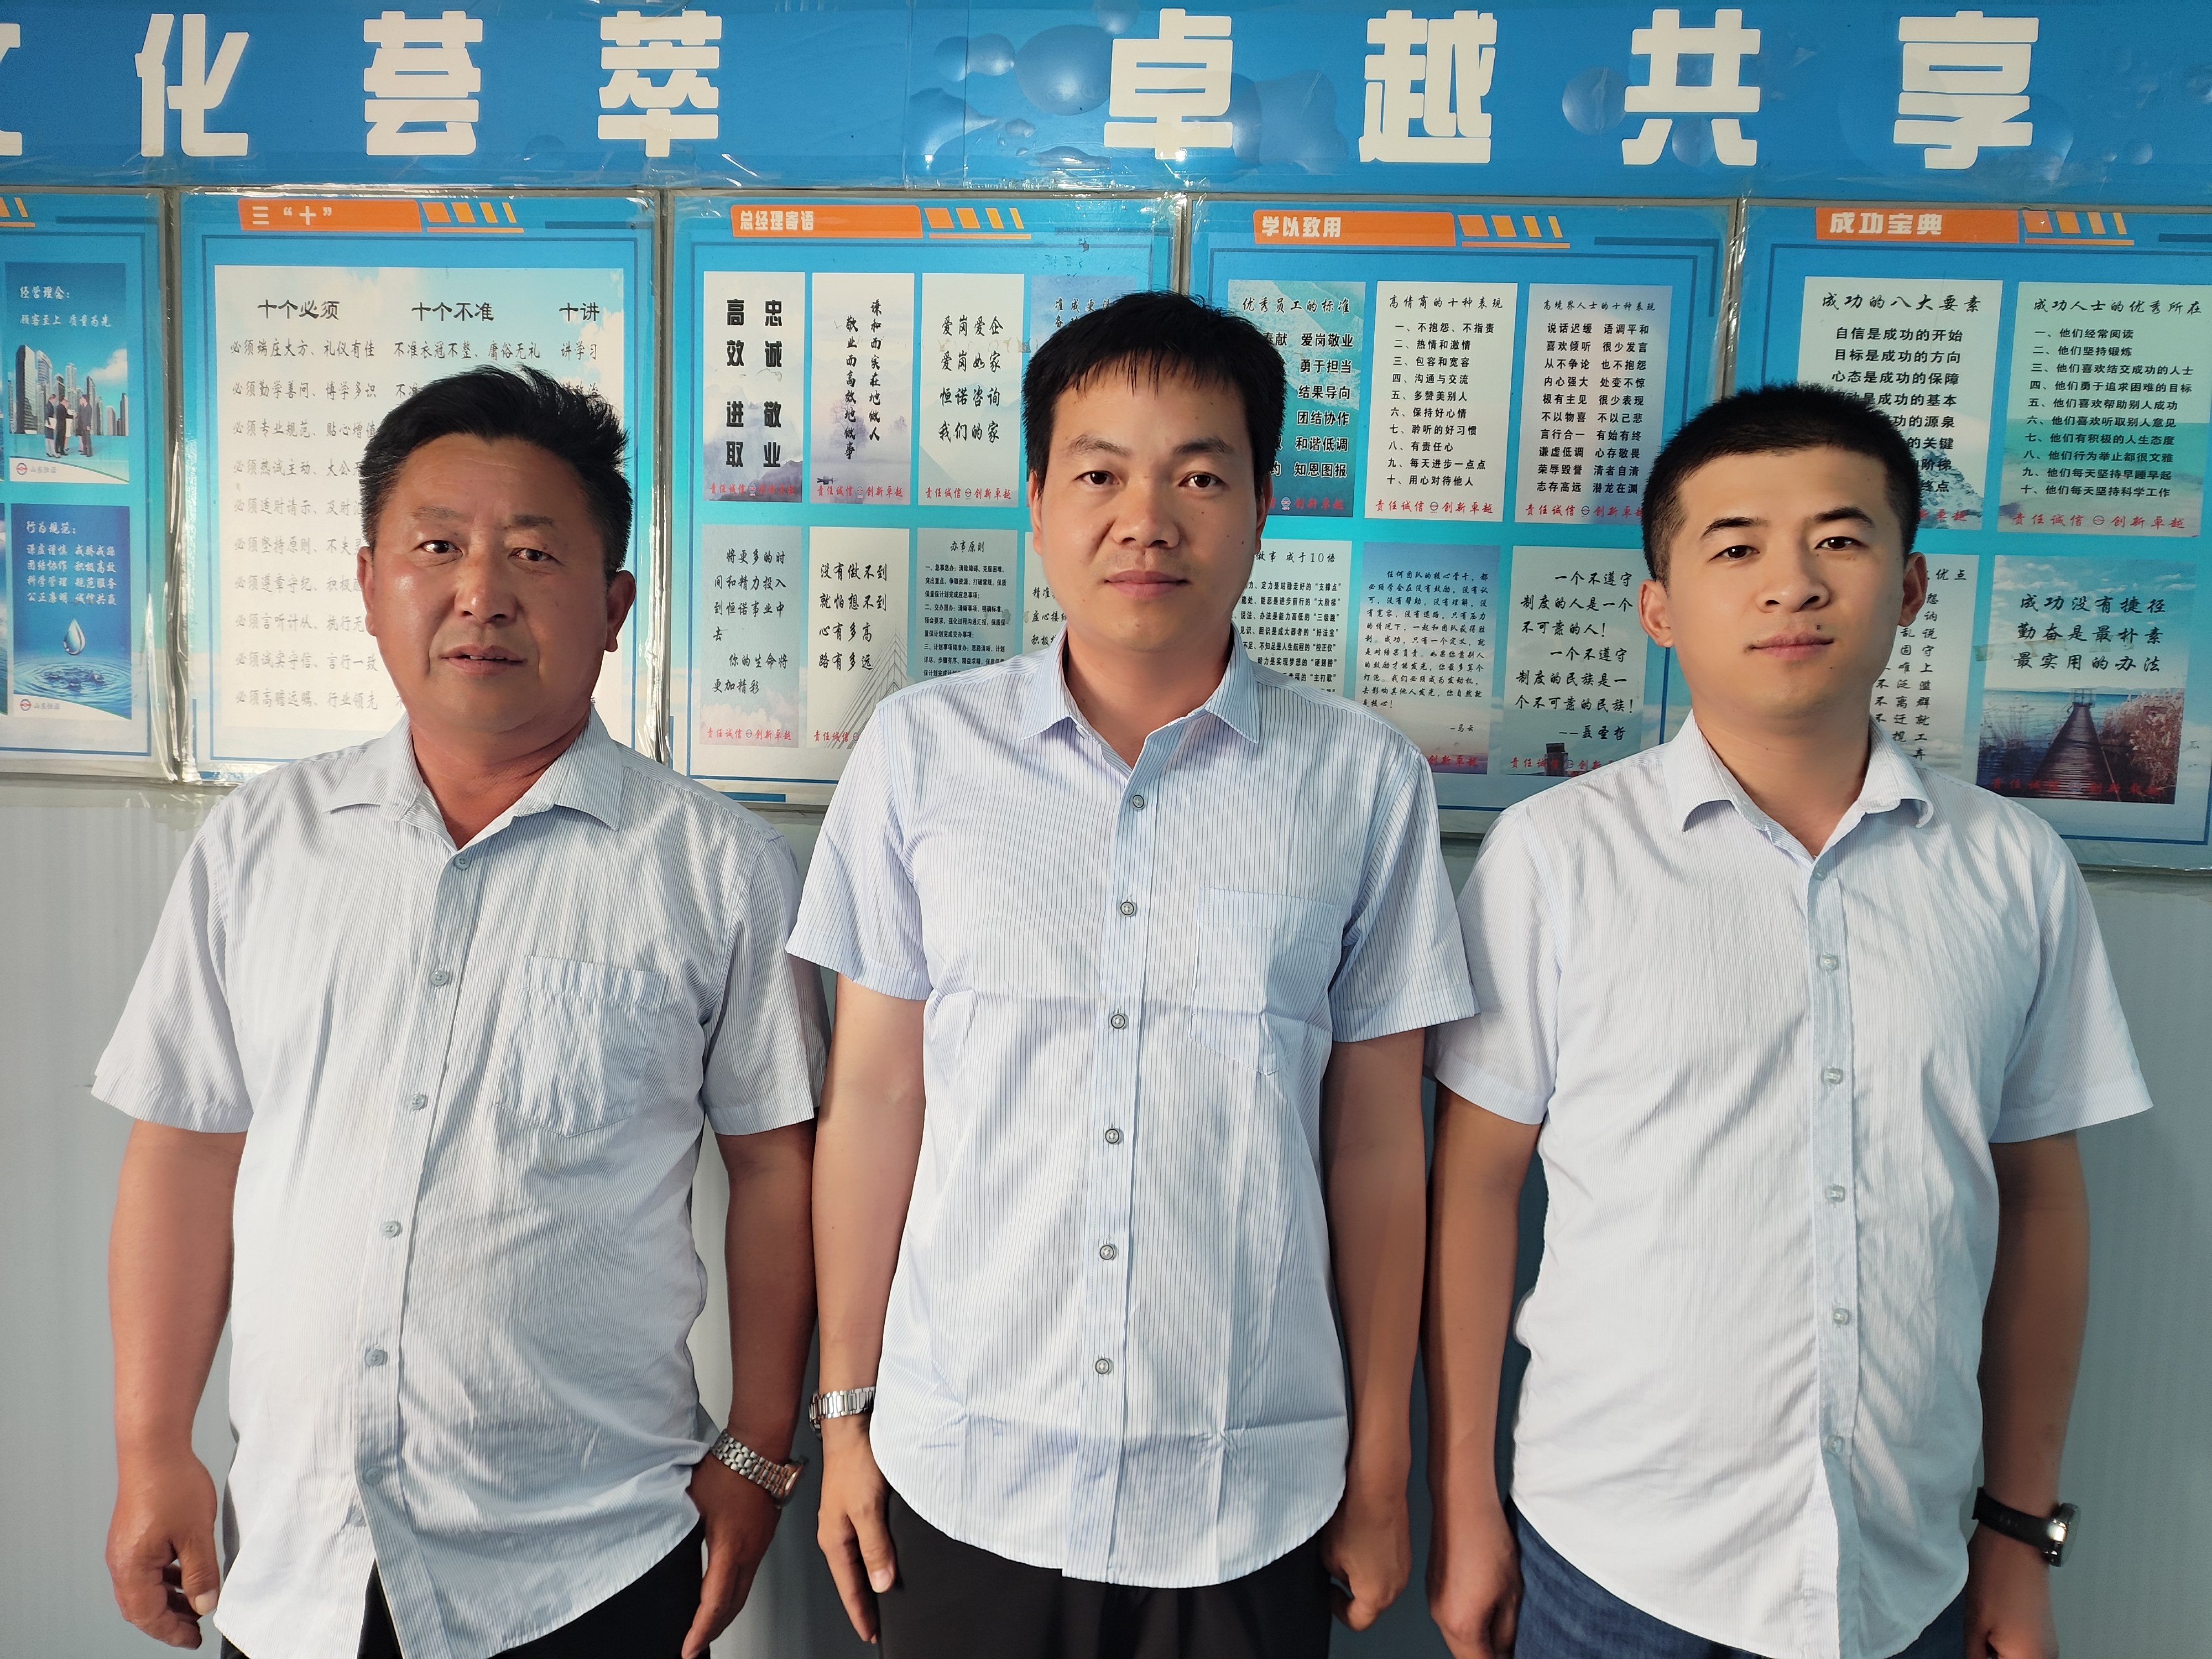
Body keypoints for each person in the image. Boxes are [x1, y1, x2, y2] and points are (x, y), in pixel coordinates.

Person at [98, 365, 826, 1659]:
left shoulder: (714, 868)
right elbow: (187, 1149)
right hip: (299, 1556)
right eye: (437, 547)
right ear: (368, 582)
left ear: (614, 608)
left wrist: (757, 1450)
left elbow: (777, 1168)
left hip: (592, 1558)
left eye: (533, 554)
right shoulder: (261, 844)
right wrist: (154, 1448)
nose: (481, 593)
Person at [792, 290, 1475, 1659]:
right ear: (1037, 502)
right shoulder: (920, 755)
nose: (1145, 521)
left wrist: (1380, 1469)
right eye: (1099, 474)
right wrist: (845, 1420)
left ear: (1262, 506)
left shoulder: (1361, 783)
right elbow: (874, 1100)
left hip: (1246, 1484)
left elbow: (1375, 1147)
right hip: (963, 1464)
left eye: (1198, 478)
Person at [1423, 384, 2153, 1659]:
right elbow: (1475, 1186)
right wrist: (1465, 1507)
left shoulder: (2011, 867)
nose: (1792, 585)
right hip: (1615, 1560)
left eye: (1838, 539)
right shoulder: (1555, 857)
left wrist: (2015, 1531)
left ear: (1909, 586)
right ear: (1658, 608)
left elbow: (2040, 1201)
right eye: (1735, 547)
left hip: (1905, 1563)